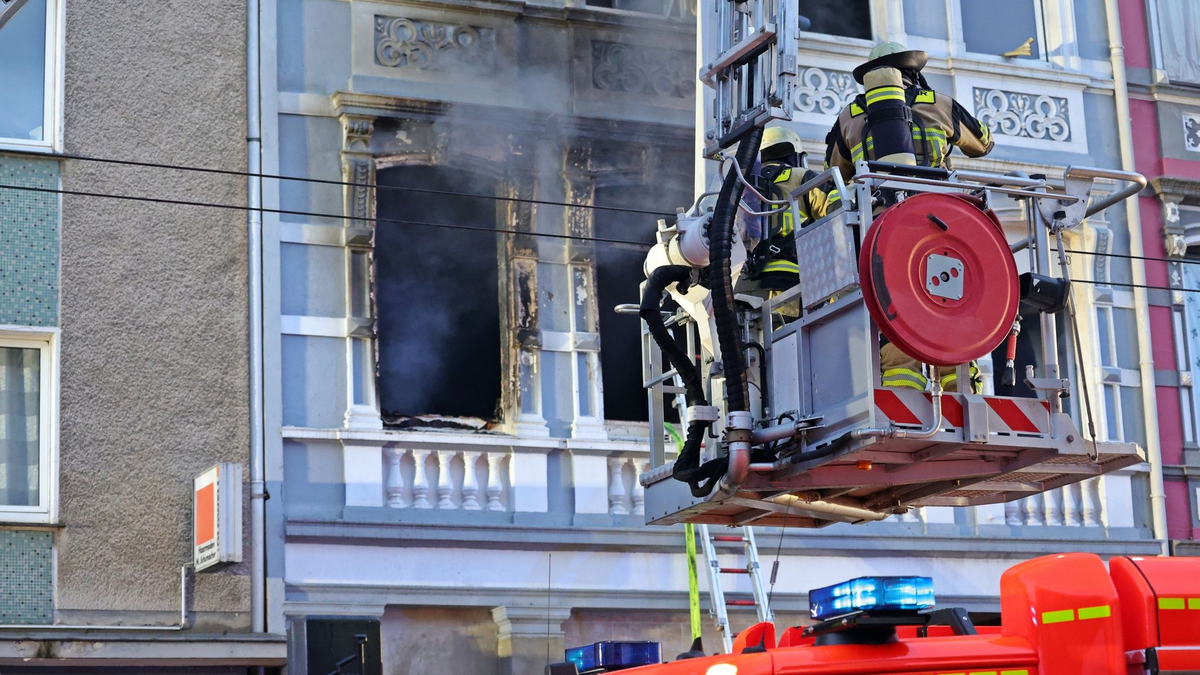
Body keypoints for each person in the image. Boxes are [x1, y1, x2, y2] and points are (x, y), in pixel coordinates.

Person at [824, 41, 996, 393]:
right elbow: (983, 143)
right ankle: (960, 387)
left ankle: (901, 391)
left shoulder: (849, 117)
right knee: (948, 300)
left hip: (881, 230)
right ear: (912, 72)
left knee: (896, 305)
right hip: (939, 225)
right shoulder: (939, 103)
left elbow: (834, 172)